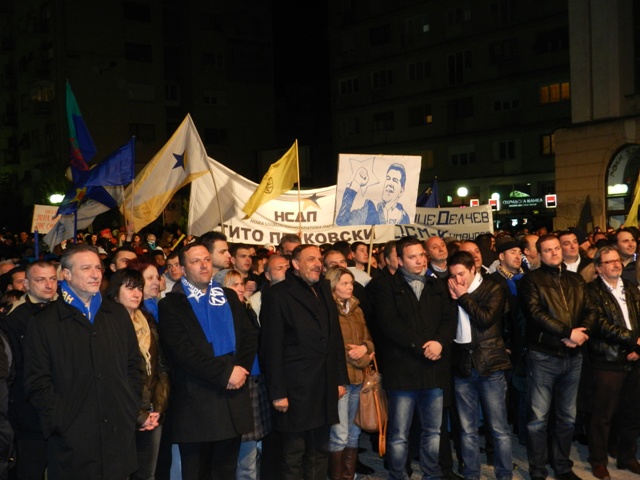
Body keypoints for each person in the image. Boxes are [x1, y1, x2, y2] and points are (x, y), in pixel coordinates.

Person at [23, 244, 142, 479]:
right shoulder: (44, 322)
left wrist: (129, 406)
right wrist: (60, 421)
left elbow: (133, 367)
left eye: (97, 267)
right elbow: (37, 382)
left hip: (117, 438)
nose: (96, 274)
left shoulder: (117, 315)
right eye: (86, 268)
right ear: (66, 274)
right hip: (72, 444)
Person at [158, 241, 257, 479]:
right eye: (195, 261)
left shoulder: (229, 297)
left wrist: (240, 369)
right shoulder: (171, 304)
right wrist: (225, 374)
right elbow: (183, 353)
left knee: (226, 471)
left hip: (232, 399)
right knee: (198, 473)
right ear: (182, 268)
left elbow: (249, 336)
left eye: (206, 259)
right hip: (197, 404)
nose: (203, 265)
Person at [368, 236, 456, 480]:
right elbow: (389, 324)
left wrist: (439, 342)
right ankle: (398, 475)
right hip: (402, 372)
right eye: (412, 256)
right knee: (399, 433)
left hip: (434, 370)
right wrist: (422, 346)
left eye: (421, 255)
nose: (419, 260)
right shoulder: (386, 286)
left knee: (433, 431)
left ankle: (432, 474)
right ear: (399, 260)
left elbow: (449, 320)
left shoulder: (437, 284)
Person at [259, 244, 348, 480]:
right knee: (293, 454)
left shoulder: (324, 289)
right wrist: (278, 392)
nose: (318, 263)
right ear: (296, 264)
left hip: (324, 385)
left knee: (320, 451)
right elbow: (270, 348)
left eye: (319, 259)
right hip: (294, 389)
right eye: (311, 259)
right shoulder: (277, 295)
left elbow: (334, 339)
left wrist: (339, 379)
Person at [519, 234, 593, 480]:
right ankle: (538, 470)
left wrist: (580, 334)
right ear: (539, 255)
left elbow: (591, 310)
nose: (554, 253)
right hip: (543, 356)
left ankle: (562, 466)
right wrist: (566, 332)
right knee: (538, 418)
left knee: (567, 418)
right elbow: (534, 314)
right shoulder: (531, 279)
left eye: (556, 248)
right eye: (547, 250)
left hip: (573, 356)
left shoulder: (575, 279)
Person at [448, 251, 512, 480]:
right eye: (453, 275)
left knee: (499, 429)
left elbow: (485, 319)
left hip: (490, 365)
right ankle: (471, 473)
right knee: (467, 429)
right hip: (463, 366)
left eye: (461, 274)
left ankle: (504, 474)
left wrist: (463, 297)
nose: (458, 280)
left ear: (474, 269)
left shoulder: (492, 289)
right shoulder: (451, 291)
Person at [106, 268, 170, 480]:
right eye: (130, 288)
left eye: (139, 289)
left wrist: (158, 407)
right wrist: (139, 414)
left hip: (152, 412)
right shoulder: (106, 324)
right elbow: (114, 376)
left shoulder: (148, 320)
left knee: (147, 475)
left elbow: (161, 367)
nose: (136, 293)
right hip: (123, 413)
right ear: (115, 292)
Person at [584, 246, 640, 479]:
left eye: (617, 261)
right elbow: (599, 324)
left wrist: (638, 348)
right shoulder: (590, 291)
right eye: (609, 262)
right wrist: (633, 341)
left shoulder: (631, 287)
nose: (616, 264)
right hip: (607, 360)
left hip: (635, 357)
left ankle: (627, 457)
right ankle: (598, 460)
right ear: (598, 268)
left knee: (632, 412)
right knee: (602, 416)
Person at [1, 260, 57, 479]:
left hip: (61, 410)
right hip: (29, 414)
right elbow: (15, 372)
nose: (48, 285)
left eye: (53, 279)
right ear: (25, 284)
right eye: (40, 279)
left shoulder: (67, 313)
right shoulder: (14, 320)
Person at [219, 269, 271, 480]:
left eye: (241, 284)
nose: (239, 289)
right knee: (235, 456)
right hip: (237, 384)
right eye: (233, 285)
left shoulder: (248, 309)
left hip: (255, 382)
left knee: (249, 455)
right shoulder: (222, 315)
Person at [324, 266, 375, 480]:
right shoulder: (327, 310)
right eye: (344, 283)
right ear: (333, 285)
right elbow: (332, 347)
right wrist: (357, 352)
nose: (349, 287)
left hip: (359, 377)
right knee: (339, 434)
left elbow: (369, 340)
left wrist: (364, 348)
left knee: (354, 434)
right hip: (340, 379)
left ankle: (348, 475)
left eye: (351, 283)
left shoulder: (356, 308)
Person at [336, 163, 411, 226]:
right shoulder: (371, 207)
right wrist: (356, 183)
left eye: (395, 180)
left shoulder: (404, 217)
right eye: (388, 178)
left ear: (401, 191)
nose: (389, 184)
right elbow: (342, 222)